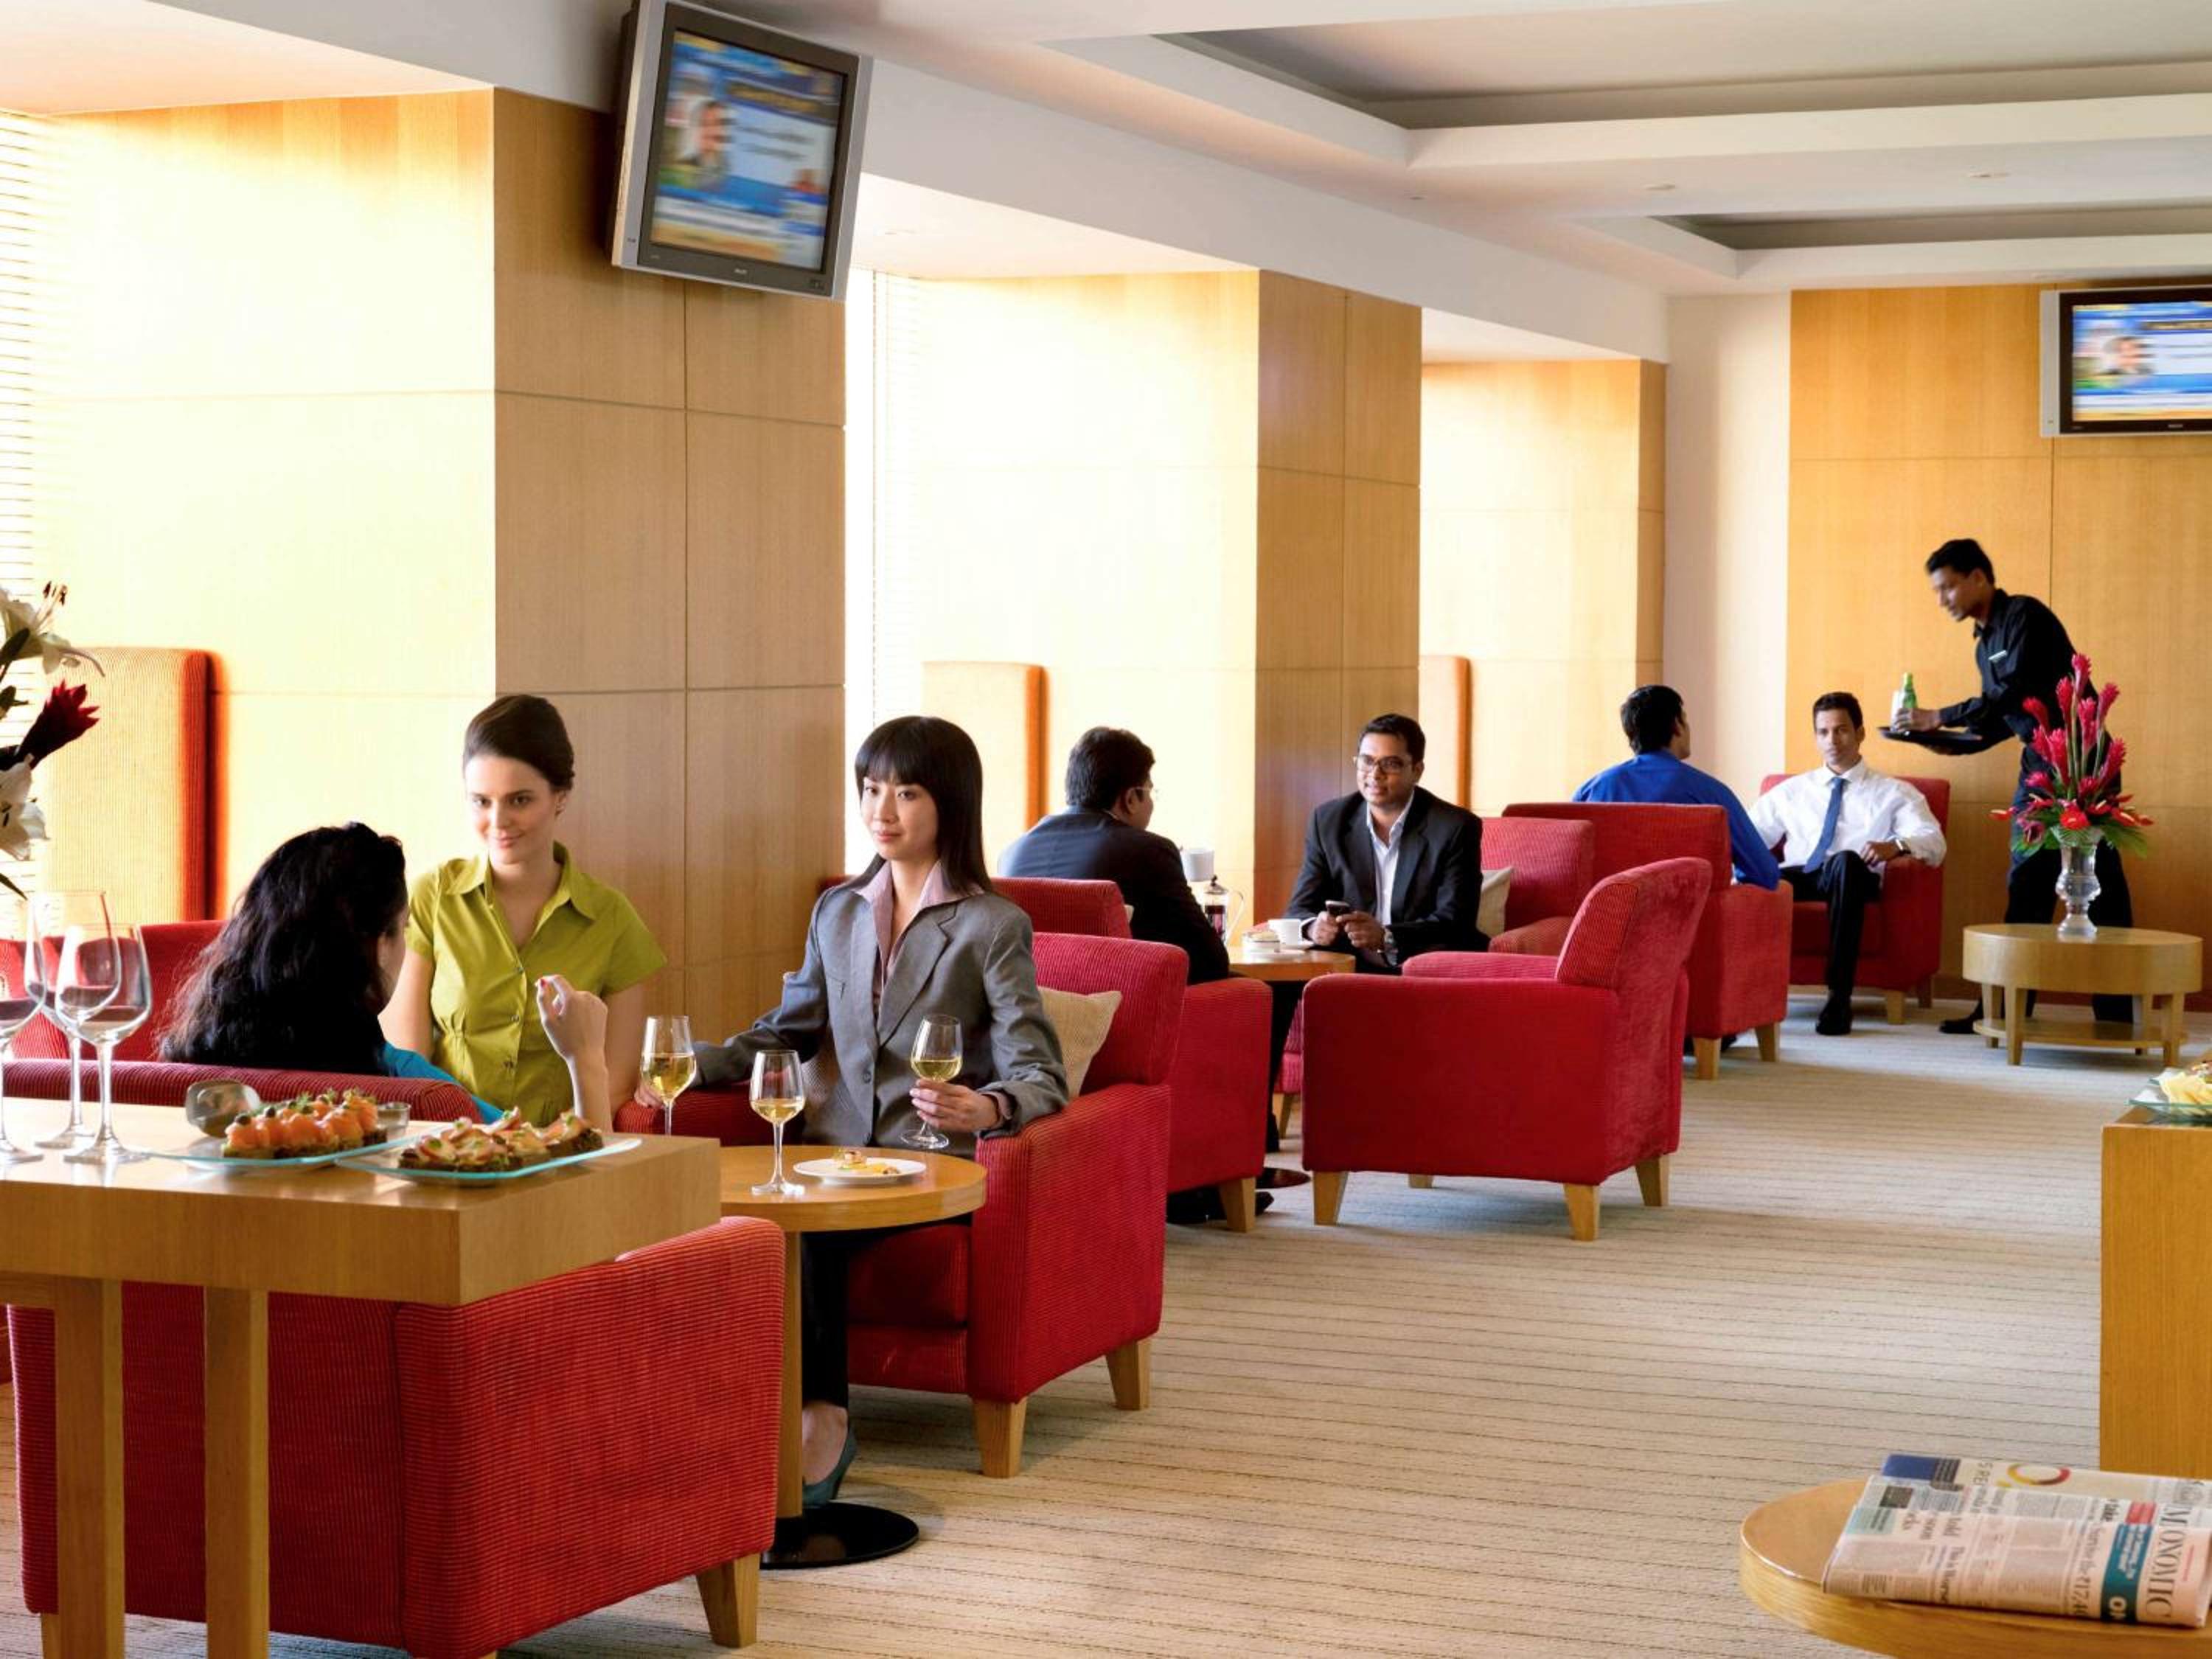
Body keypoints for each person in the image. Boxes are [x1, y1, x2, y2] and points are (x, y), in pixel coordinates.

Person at [692, 714, 1068, 1507]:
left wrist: (988, 1106)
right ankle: (733, 1422)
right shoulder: (836, 912)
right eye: (870, 789)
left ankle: (824, 1421)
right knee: (757, 1223)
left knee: (810, 1234)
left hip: (932, 1164)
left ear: (950, 802)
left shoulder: (992, 926)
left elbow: (1041, 1073)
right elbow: (790, 1030)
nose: (881, 810)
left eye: (906, 792)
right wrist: (695, 1066)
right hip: (833, 1155)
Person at [162, 823, 611, 1127]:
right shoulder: (414, 1092)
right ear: (379, 946)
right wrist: (586, 1059)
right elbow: (565, 1183)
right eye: (405, 928)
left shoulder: (184, 1082)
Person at [386, 695, 664, 1124]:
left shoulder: (612, 920)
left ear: (560, 797)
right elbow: (410, 1069)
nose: (498, 821)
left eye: (519, 800)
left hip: (565, 1151)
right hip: (448, 1148)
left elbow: (613, 1088)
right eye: (481, 801)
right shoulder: (432, 898)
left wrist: (540, 1147)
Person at [1897, 538, 2135, 1029]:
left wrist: (1940, 714)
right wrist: (1942, 741)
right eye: (1937, 590)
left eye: (1948, 587)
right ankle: (2003, 1012)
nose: (1941, 599)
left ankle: (2115, 1015)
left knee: (2101, 881)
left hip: (2081, 755)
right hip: (2038, 762)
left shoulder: (2025, 615)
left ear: (1978, 577)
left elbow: (2017, 687)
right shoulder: (1983, 646)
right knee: (2025, 880)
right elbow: (2001, 720)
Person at [1750, 692, 1947, 1036]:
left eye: (1841, 730)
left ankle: (1839, 998)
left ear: (1860, 733)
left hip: (1857, 880)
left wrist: (1897, 846)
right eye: (1823, 732)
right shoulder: (1791, 791)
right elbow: (1748, 839)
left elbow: (1934, 842)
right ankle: (1743, 998)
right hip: (1805, 876)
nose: (1832, 740)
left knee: (1845, 862)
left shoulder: (1894, 792)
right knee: (1758, 878)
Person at [1001, 726, 1229, 984]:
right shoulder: (1146, 851)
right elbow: (1211, 960)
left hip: (1033, 999)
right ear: (1131, 799)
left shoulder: (1013, 853)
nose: (1151, 803)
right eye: (1150, 791)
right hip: (1117, 1000)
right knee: (1256, 989)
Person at [1575, 684, 1781, 890]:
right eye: (1685, 719)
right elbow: (1765, 873)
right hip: (1694, 910)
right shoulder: (1711, 792)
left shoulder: (1591, 790)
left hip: (1605, 908)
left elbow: (1571, 864)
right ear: (1677, 725)